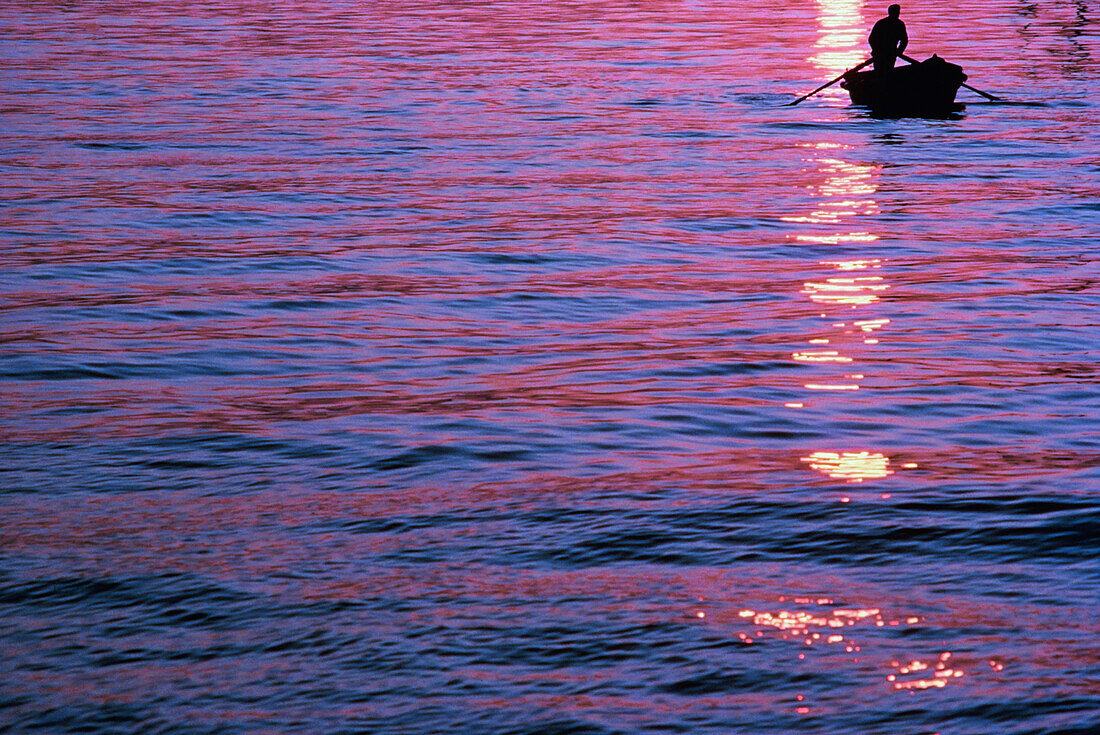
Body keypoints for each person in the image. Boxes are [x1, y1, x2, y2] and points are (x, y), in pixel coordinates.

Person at [869, 4, 908, 72]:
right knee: (881, 71)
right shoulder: (881, 23)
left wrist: (898, 52)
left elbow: (904, 40)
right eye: (896, 12)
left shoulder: (899, 24)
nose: (897, 14)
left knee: (887, 71)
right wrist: (876, 51)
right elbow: (871, 39)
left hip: (891, 54)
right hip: (879, 54)